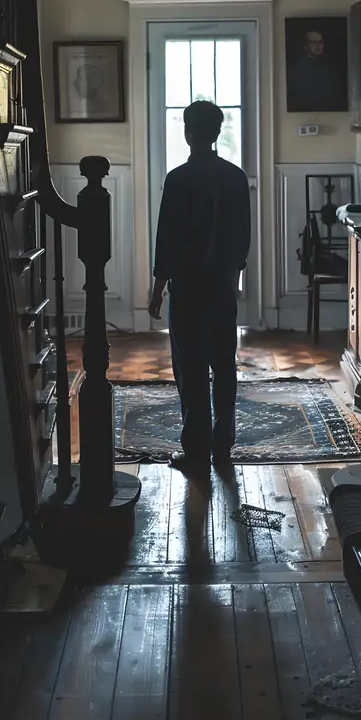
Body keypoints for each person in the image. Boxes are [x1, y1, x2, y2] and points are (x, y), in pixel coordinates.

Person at [148, 101, 251, 475]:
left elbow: (167, 240)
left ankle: (196, 448)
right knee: (223, 364)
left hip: (188, 287)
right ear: (218, 132)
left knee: (189, 367)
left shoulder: (178, 179)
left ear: (188, 133)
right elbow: (243, 237)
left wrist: (158, 288)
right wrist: (234, 275)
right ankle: (223, 445)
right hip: (222, 285)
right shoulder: (236, 177)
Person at [287, 29, 345, 112]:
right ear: (305, 46)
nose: (318, 45)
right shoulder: (297, 69)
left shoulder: (330, 68)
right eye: (314, 42)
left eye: (320, 42)